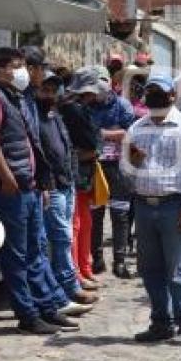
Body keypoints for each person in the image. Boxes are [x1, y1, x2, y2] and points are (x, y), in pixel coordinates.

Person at [0, 47, 86, 334]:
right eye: (17, 65)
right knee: (16, 256)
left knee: (35, 250)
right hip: (8, 189)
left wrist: (40, 181)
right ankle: (26, 314)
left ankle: (47, 307)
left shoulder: (15, 98)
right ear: (0, 69)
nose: (23, 71)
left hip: (29, 187)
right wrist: (7, 176)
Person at [123, 73, 181, 345]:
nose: (154, 97)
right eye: (150, 93)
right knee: (150, 269)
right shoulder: (137, 127)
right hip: (144, 205)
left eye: (160, 92)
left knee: (178, 269)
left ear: (172, 95)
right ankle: (161, 321)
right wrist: (131, 162)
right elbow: (126, 171)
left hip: (174, 204)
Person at [37, 70, 98, 305]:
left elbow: (69, 147)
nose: (50, 94)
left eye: (54, 90)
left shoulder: (56, 116)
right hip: (50, 184)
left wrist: (71, 177)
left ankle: (67, 284)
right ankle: (67, 287)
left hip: (66, 182)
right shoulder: (34, 115)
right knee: (61, 237)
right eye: (45, 90)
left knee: (66, 235)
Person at [90, 65, 137, 278]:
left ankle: (120, 260)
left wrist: (101, 133)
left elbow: (128, 134)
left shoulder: (123, 106)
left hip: (119, 166)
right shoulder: (87, 104)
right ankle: (96, 259)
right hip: (94, 165)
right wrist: (111, 134)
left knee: (120, 214)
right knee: (96, 213)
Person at [58, 69, 102, 290]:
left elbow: (95, 141)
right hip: (76, 172)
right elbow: (92, 140)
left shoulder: (78, 108)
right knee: (76, 224)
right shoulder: (73, 110)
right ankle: (77, 271)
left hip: (83, 170)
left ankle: (84, 267)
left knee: (84, 222)